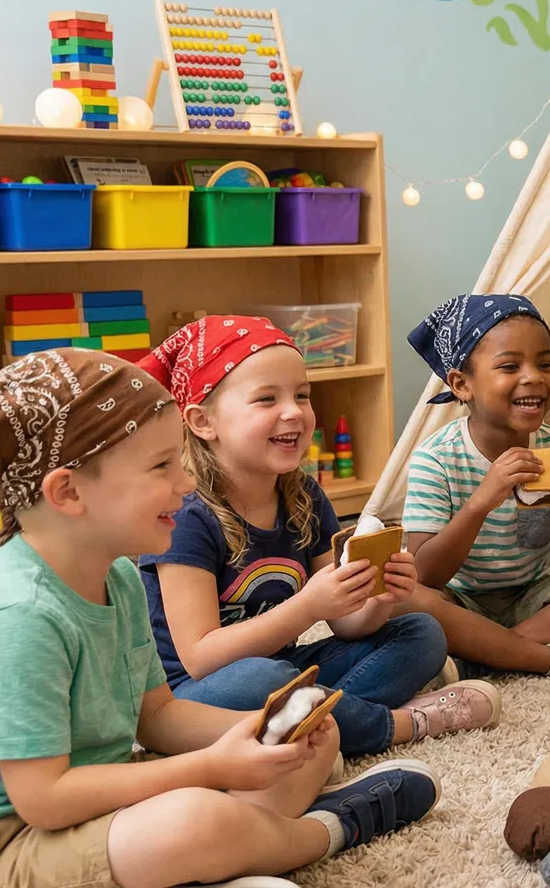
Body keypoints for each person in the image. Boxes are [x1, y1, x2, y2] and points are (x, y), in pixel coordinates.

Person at [0, 350, 439, 888]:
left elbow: (157, 715)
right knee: (198, 820)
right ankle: (326, 829)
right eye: (161, 466)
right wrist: (211, 769)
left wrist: (252, 733)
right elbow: (43, 800)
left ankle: (188, 881)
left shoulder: (117, 576)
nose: (186, 482)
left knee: (311, 735)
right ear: (67, 492)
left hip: (89, 805)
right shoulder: (16, 617)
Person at [139, 316, 495, 757]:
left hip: (285, 667)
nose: (294, 411)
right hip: (197, 692)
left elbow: (345, 622)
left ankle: (309, 724)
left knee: (422, 632)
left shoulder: (303, 495)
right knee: (264, 680)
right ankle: (395, 724)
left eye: (302, 395)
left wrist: (377, 598)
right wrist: (307, 606)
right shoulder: (186, 514)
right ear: (202, 421)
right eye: (267, 398)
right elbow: (200, 657)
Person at [400, 295, 550, 675]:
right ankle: (547, 658)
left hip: (531, 599)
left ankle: (483, 658)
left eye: (545, 363)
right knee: (403, 599)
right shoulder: (435, 458)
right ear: (462, 384)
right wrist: (480, 503)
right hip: (457, 602)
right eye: (510, 366)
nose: (533, 377)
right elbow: (425, 574)